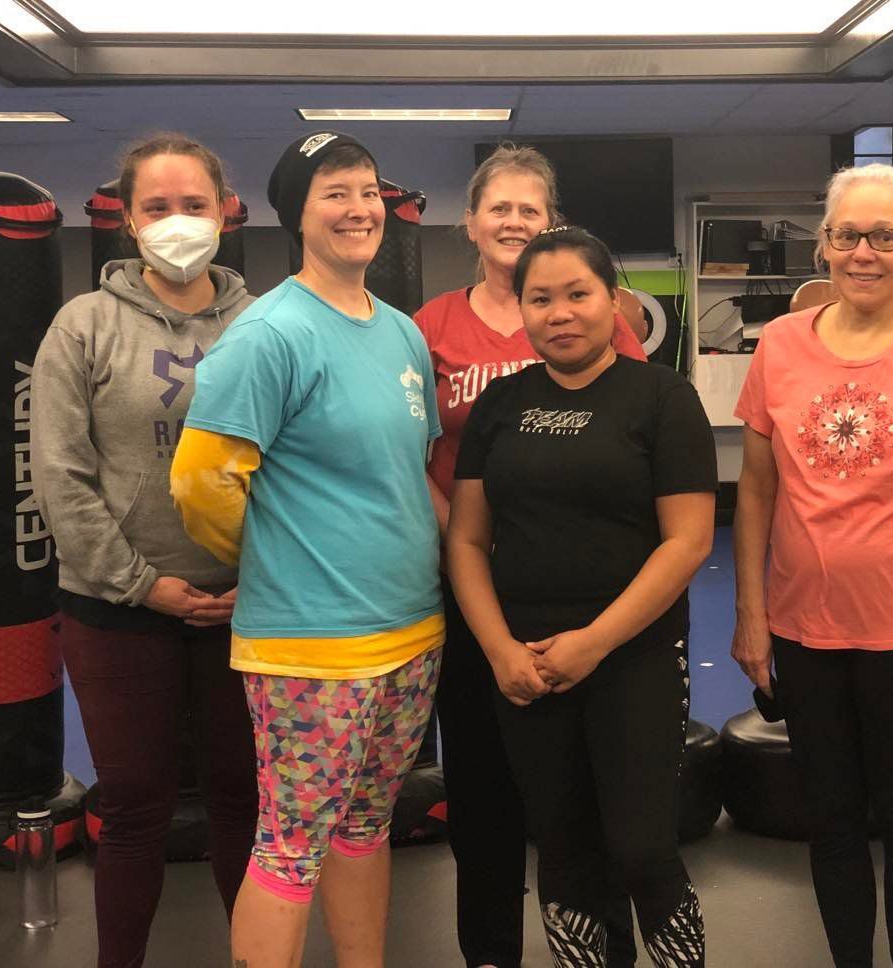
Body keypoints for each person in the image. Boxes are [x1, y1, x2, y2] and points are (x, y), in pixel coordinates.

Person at [170, 131, 444, 968]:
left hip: (410, 630)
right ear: (297, 215)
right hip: (312, 646)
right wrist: (285, 556)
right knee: (292, 844)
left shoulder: (400, 332)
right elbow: (201, 485)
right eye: (334, 191)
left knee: (366, 826)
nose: (358, 207)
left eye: (367, 189)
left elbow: (413, 475)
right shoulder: (271, 334)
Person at [730, 163, 893, 968]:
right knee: (834, 819)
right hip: (806, 629)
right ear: (826, 245)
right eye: (849, 235)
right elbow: (753, 489)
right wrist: (751, 616)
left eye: (886, 236)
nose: (866, 253)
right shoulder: (778, 345)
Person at [447, 226, 716, 967]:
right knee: (561, 847)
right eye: (540, 299)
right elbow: (467, 541)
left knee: (640, 847)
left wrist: (595, 642)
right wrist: (499, 649)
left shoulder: (662, 397)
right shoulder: (501, 405)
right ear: (523, 308)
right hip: (526, 665)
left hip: (634, 657)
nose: (559, 313)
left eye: (577, 294)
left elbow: (687, 542)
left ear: (613, 302)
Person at [415, 144, 646, 968]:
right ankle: (490, 955)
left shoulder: (594, 315)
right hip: (473, 586)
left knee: (585, 794)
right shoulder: (430, 327)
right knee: (481, 792)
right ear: (470, 221)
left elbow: (636, 431)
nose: (514, 221)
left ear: (554, 222)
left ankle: (596, 952)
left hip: (583, 586)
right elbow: (409, 452)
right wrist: (460, 543)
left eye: (531, 209)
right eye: (498, 207)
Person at [31, 133, 257, 968]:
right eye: (157, 207)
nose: (177, 222)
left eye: (193, 205)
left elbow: (297, 463)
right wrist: (140, 585)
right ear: (128, 222)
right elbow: (59, 476)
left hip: (246, 604)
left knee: (244, 801)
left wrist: (262, 573)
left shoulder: (265, 322)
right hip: (115, 610)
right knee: (133, 807)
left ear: (226, 214)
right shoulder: (81, 327)